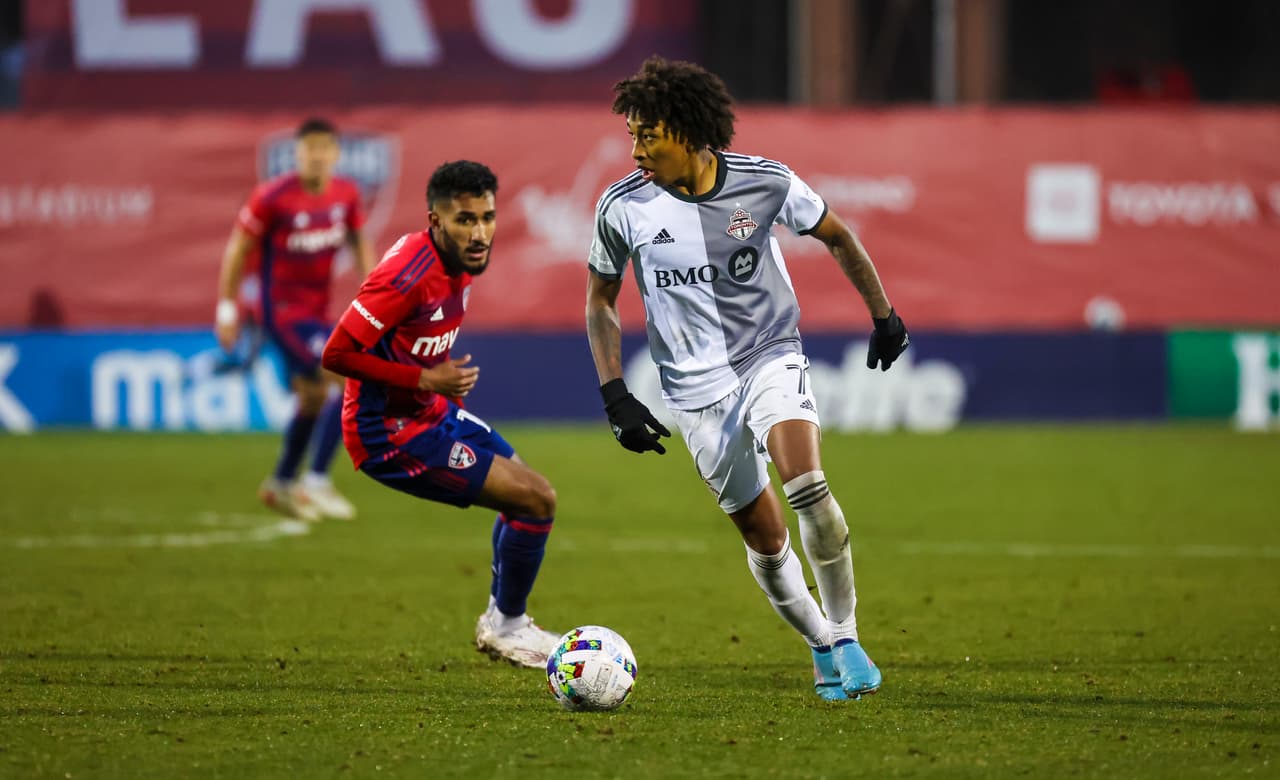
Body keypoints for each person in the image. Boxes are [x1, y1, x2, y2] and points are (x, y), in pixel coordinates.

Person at [584, 57, 911, 701]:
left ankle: (845, 636)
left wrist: (884, 314)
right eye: (632, 136)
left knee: (808, 485)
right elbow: (600, 300)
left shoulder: (766, 183)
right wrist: (615, 394)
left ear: (690, 132)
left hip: (768, 354)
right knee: (764, 536)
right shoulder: (622, 206)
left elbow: (838, 236)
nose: (637, 149)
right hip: (694, 392)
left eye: (649, 135)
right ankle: (821, 646)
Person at [321, 160, 562, 668]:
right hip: (389, 434)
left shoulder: (460, 264)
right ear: (436, 221)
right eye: (465, 220)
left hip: (433, 412)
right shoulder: (405, 275)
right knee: (537, 499)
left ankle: (504, 620)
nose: (480, 233)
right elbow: (336, 354)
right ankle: (508, 625)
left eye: (487, 218)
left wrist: (433, 382)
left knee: (524, 490)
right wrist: (424, 378)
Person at [215, 117, 376, 521]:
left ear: (337, 154)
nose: (318, 157)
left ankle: (282, 481)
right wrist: (227, 308)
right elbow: (238, 249)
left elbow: (360, 244)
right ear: (298, 154)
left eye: (325, 149)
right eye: (310, 149)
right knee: (349, 375)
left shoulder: (345, 195)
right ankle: (316, 482)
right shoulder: (272, 197)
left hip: (317, 312)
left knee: (313, 396)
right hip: (281, 312)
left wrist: (376, 298)